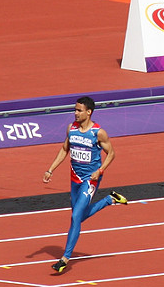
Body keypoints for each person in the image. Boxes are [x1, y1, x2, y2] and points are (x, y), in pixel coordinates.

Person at [42, 96, 127, 273]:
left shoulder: (98, 133)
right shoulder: (71, 129)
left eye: (79, 110)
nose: (75, 113)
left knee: (75, 218)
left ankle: (65, 259)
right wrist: (50, 169)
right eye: (75, 109)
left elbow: (111, 153)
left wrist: (100, 170)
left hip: (90, 180)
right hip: (74, 179)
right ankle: (109, 200)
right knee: (78, 216)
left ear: (89, 112)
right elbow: (65, 149)